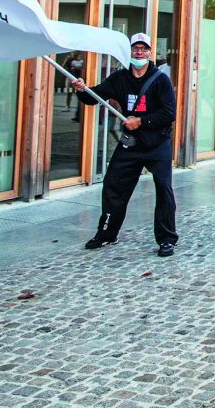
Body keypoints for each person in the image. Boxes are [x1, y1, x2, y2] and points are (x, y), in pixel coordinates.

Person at [72, 33, 179, 257]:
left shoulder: (160, 80)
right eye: (135, 48)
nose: (139, 52)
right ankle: (107, 233)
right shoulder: (119, 78)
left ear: (150, 53)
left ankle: (167, 239)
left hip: (157, 143)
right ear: (129, 51)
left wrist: (140, 120)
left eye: (143, 49)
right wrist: (82, 90)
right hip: (131, 144)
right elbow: (95, 97)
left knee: (163, 189)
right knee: (113, 186)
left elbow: (169, 113)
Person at [61, 50, 85, 120]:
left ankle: (78, 109)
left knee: (79, 93)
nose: (73, 53)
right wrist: (67, 59)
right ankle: (67, 106)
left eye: (75, 52)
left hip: (78, 77)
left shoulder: (82, 59)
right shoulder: (70, 59)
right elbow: (63, 66)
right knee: (69, 92)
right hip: (70, 77)